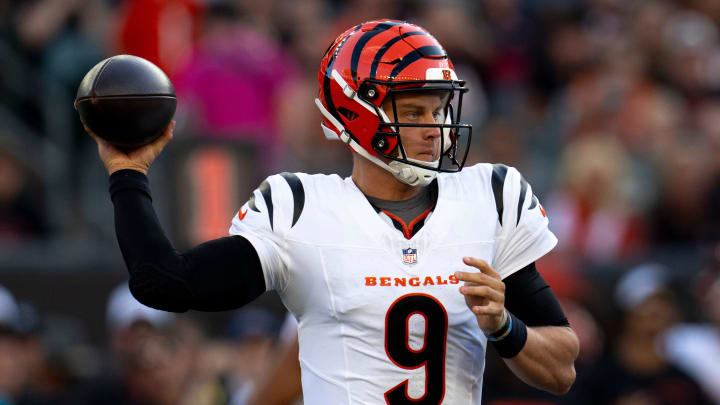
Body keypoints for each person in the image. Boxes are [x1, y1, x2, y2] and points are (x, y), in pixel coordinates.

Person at [84, 19, 578, 404]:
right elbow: (165, 283)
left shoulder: (489, 197)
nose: (435, 129)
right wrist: (128, 174)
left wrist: (504, 328)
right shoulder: (301, 210)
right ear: (356, 113)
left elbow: (562, 370)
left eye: (438, 109)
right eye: (413, 112)